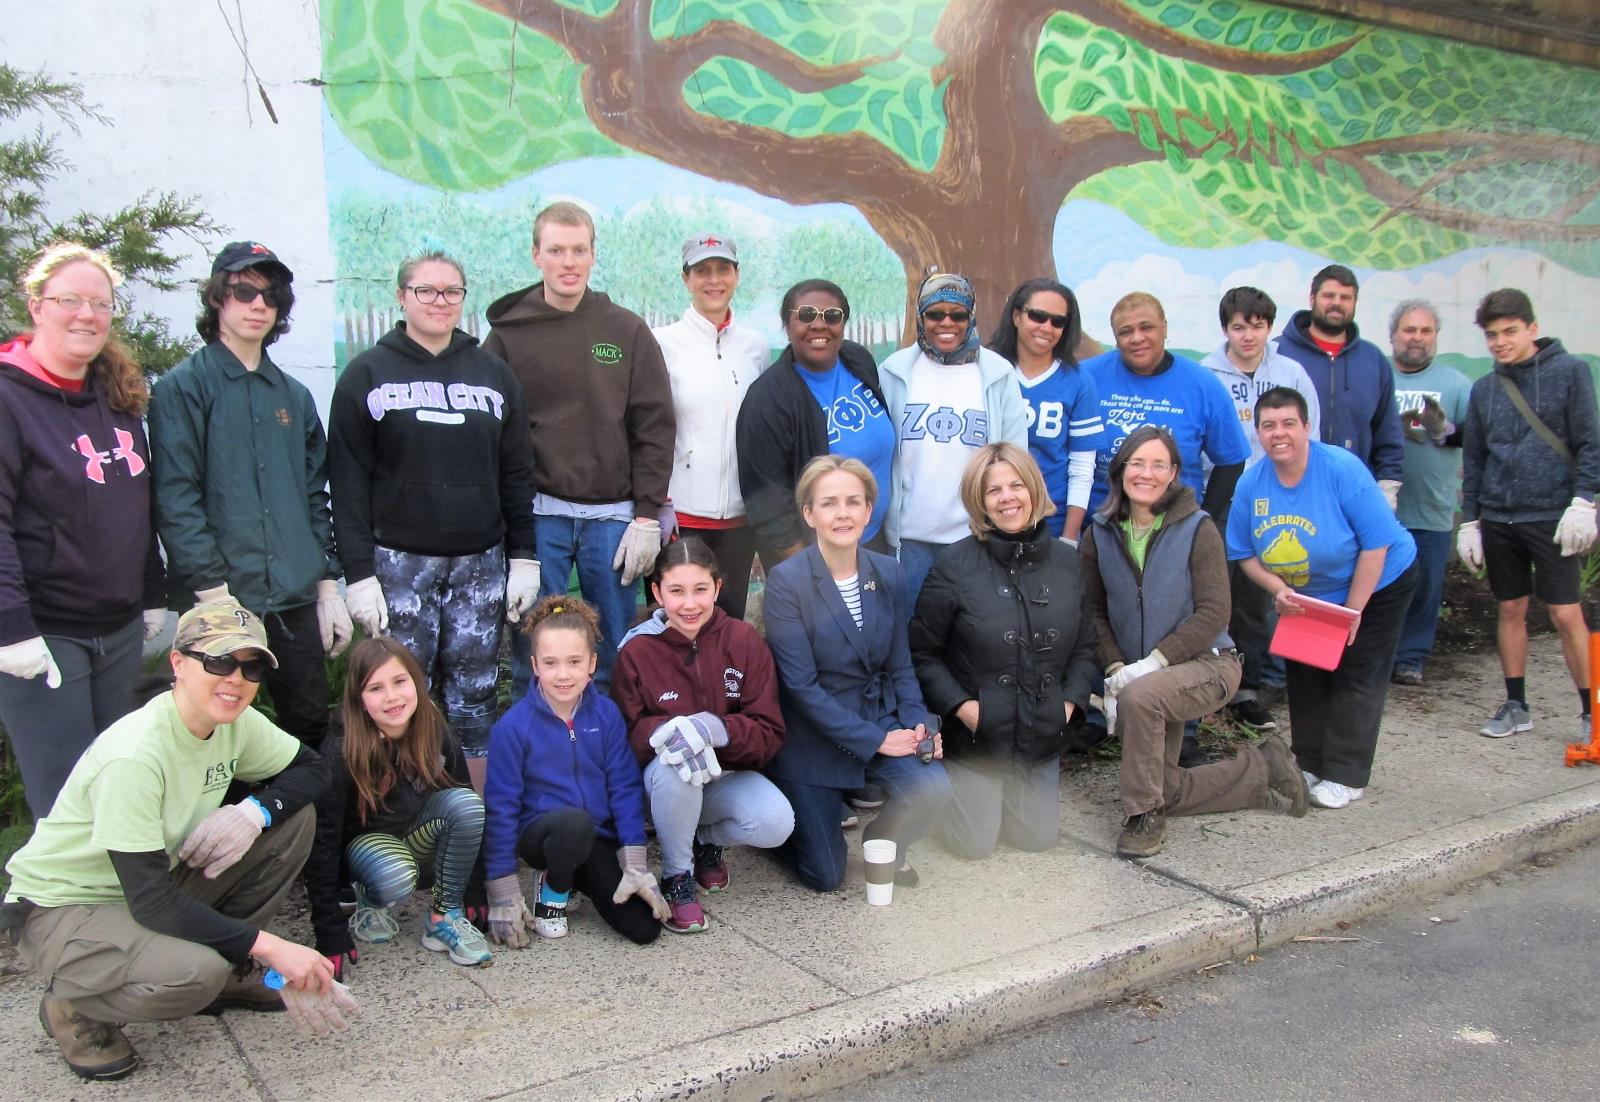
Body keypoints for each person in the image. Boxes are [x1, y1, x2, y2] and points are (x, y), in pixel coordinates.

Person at [2, 599, 357, 1081]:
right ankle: (74, 1005)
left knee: (291, 823)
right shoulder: (134, 756)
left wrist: (253, 811)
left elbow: (313, 771)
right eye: (218, 661)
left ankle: (229, 970)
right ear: (178, 664)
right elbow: (153, 902)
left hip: (147, 884)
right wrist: (271, 946)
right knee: (195, 974)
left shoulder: (234, 721)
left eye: (251, 667)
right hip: (63, 908)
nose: (236, 678)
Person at [329, 249, 540, 790]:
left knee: (474, 695)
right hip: (398, 566)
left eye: (451, 292)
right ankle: (402, 811)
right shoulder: (366, 374)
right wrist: (358, 574)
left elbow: (516, 472)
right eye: (426, 291)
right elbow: (347, 482)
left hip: (480, 564)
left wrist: (523, 557)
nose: (439, 302)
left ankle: (474, 815)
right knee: (401, 693)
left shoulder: (493, 374)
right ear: (402, 297)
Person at [149, 241, 352, 751]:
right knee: (212, 730)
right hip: (221, 596)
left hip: (293, 598)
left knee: (306, 726)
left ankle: (303, 830)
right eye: (244, 292)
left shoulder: (293, 396)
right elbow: (176, 496)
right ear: (218, 298)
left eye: (271, 296)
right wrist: (210, 588)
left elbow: (313, 494)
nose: (258, 305)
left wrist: (328, 583)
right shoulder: (183, 388)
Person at [1083, 428, 1308, 859]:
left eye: (1158, 465)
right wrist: (1115, 669)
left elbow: (1213, 613)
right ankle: (1263, 770)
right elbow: (1093, 612)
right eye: (1137, 463)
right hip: (1141, 678)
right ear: (1120, 470)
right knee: (1164, 785)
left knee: (1143, 702)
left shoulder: (1197, 528)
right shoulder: (1100, 534)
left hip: (1208, 664)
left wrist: (1151, 665)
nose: (1146, 473)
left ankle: (1142, 818)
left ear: (1173, 474)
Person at [0, 243, 167, 818]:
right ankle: (45, 908)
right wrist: (10, 629)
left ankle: (112, 907)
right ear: (37, 306)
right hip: (47, 636)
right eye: (69, 300)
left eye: (100, 303)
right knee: (65, 804)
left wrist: (151, 592)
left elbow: (135, 504)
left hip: (119, 632)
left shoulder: (117, 397)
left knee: (117, 788)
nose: (86, 315)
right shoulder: (7, 397)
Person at [484, 202, 675, 693]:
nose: (568, 262)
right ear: (536, 255)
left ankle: (608, 752)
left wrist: (647, 514)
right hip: (538, 517)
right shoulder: (508, 335)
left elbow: (653, 425)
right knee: (537, 649)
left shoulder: (626, 330)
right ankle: (540, 752)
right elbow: (490, 429)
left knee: (612, 650)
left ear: (593, 256)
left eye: (578, 250)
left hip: (612, 519)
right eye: (556, 250)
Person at [761, 456, 952, 891]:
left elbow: (900, 664)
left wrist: (919, 725)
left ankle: (884, 840)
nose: (842, 513)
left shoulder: (888, 572)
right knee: (826, 876)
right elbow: (800, 687)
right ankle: (776, 833)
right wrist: (877, 740)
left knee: (933, 789)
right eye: (829, 503)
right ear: (810, 514)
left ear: (870, 511)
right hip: (811, 738)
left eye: (853, 502)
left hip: (875, 716)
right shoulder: (787, 581)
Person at [1228, 388, 1417, 810]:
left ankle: (1347, 774)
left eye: (1289, 423)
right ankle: (1309, 762)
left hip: (1379, 582)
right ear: (1258, 432)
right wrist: (1279, 590)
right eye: (1269, 425)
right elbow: (1242, 554)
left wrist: (1352, 613)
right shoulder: (1251, 483)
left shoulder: (1340, 468)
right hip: (1308, 595)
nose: (1280, 434)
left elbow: (1376, 545)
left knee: (1356, 672)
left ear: (1307, 427)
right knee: (1306, 673)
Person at [909, 444, 1098, 859]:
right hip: (979, 735)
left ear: (1033, 489)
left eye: (1016, 485)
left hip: (1041, 731)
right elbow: (923, 653)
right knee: (974, 845)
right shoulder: (954, 565)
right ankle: (939, 791)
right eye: (994, 490)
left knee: (1036, 837)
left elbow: (1087, 646)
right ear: (981, 502)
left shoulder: (1068, 565)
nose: (1007, 497)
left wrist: (1067, 706)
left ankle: (1011, 792)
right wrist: (962, 708)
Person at [611, 538, 794, 932]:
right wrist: (665, 731)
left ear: (717, 588)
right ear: (657, 592)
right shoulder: (637, 651)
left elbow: (769, 733)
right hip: (660, 786)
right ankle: (677, 876)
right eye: (676, 591)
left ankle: (704, 840)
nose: (689, 603)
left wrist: (716, 729)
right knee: (676, 765)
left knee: (776, 822)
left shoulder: (744, 641)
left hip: (722, 777)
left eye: (700, 590)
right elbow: (622, 737)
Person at [482, 597, 669, 947]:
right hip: (542, 836)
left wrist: (635, 863)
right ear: (534, 665)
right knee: (574, 825)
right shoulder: (513, 727)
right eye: (551, 663)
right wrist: (503, 889)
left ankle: (576, 878)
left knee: (645, 929)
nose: (563, 674)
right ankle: (553, 886)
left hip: (595, 837)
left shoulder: (607, 715)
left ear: (592, 664)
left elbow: (625, 787)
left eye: (574, 662)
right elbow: (501, 809)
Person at [1458, 289, 1600, 740]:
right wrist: (1470, 519)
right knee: (1511, 607)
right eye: (1492, 335)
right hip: (1500, 518)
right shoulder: (1484, 389)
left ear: (1532, 329)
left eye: (1510, 332)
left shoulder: (1572, 373)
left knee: (1564, 612)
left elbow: (1591, 443)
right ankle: (1516, 704)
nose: (1500, 342)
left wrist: (1584, 502)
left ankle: (1591, 709)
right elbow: (1476, 459)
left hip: (1553, 515)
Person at [305, 638, 491, 977]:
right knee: (396, 873)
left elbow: (462, 788)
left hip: (417, 837)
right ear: (359, 701)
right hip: (367, 854)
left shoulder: (433, 728)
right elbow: (323, 840)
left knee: (467, 803)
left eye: (400, 682)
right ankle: (370, 901)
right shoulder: (341, 749)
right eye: (376, 688)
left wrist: (475, 888)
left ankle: (444, 917)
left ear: (417, 683)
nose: (392, 697)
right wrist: (328, 929)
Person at [1200, 286, 1322, 731]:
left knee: (1257, 599)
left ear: (1269, 327)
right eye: (1238, 327)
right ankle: (1210, 686)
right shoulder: (1207, 376)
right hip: (1221, 500)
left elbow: (1313, 438)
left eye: (1257, 326)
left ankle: (1248, 689)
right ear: (1224, 329)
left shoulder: (1291, 373)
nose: (1248, 336)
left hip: (1272, 505)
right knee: (1215, 595)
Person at [879, 272, 1028, 609]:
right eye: (935, 314)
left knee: (968, 638)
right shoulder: (893, 371)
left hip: (973, 539)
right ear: (921, 317)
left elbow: (1015, 457)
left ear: (971, 317)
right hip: (908, 542)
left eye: (958, 314)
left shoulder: (998, 374)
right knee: (908, 636)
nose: (947, 322)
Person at [651, 233, 770, 618]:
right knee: (678, 623)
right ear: (686, 279)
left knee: (729, 621)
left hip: (740, 520)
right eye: (702, 270)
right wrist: (657, 503)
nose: (713, 280)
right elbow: (646, 428)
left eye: (723, 269)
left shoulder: (755, 347)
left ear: (737, 275)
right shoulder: (661, 343)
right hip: (681, 516)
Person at [737, 279, 893, 570]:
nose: (819, 325)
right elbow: (766, 504)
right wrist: (812, 573)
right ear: (787, 324)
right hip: (817, 559)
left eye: (832, 316)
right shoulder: (767, 401)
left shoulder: (857, 360)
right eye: (806, 315)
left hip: (873, 543)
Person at [1082, 292, 1251, 524]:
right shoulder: (1086, 378)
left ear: (1164, 328)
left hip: (1175, 527)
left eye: (1146, 327)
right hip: (1101, 525)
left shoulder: (1203, 385)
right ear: (1115, 338)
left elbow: (1231, 460)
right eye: (1126, 331)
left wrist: (1203, 519)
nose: (1137, 338)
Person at [1387, 300, 1471, 687]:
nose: (1416, 338)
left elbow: (1476, 435)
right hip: (1383, 508)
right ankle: (1379, 653)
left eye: (1425, 331)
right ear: (1393, 335)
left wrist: (1444, 431)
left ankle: (1412, 657)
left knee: (1425, 585)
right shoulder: (1379, 375)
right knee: (1380, 584)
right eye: (1409, 330)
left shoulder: (1456, 383)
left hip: (1433, 506)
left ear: (1435, 337)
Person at [1273, 264, 1405, 503]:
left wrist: (1387, 486)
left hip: (1354, 494)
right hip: (1288, 491)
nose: (1337, 303)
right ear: (1312, 298)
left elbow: (1387, 431)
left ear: (1355, 303)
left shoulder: (1373, 360)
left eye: (1346, 297)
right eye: (1329, 295)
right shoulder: (1278, 353)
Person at [987, 278, 1104, 544]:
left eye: (1057, 321)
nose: (1047, 327)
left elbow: (1082, 467)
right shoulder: (988, 371)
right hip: (989, 520)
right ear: (1016, 316)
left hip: (1050, 523)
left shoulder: (1078, 381)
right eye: (1038, 316)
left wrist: (1070, 536)